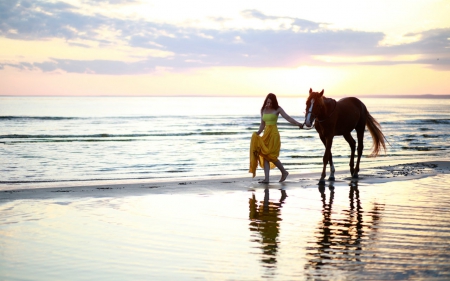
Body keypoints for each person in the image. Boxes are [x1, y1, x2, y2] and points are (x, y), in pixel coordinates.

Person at [249, 93, 303, 183]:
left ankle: (284, 172)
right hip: (266, 134)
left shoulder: (278, 109)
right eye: (268, 102)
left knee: (271, 155)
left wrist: (298, 124)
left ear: (274, 102)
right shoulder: (263, 109)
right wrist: (258, 132)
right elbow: (262, 124)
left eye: (270, 103)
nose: (269, 104)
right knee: (265, 155)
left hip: (274, 135)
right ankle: (267, 179)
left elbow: (288, 117)